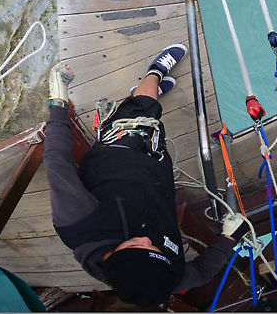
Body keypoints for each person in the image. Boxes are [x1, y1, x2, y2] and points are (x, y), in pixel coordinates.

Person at [43, 44, 247, 308]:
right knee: (153, 122)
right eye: (156, 250)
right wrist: (229, 239)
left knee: (145, 107)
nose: (148, 240)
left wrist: (58, 104)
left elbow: (57, 162)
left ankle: (155, 73)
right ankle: (147, 95)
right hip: (155, 167)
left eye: (138, 246)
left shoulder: (79, 223)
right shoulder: (162, 277)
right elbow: (202, 273)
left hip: (120, 148)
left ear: (112, 258)